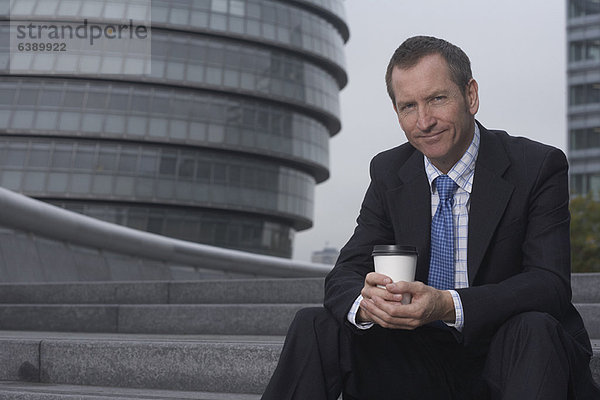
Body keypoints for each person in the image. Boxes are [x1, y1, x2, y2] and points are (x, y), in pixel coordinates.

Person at [261, 36, 600, 400]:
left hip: (507, 354)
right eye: (409, 106)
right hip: (416, 360)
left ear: (470, 96)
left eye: (437, 99)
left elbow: (548, 284)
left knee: (534, 327)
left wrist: (448, 304)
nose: (424, 121)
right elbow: (345, 273)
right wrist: (369, 306)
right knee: (317, 324)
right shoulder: (390, 171)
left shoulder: (537, 166)